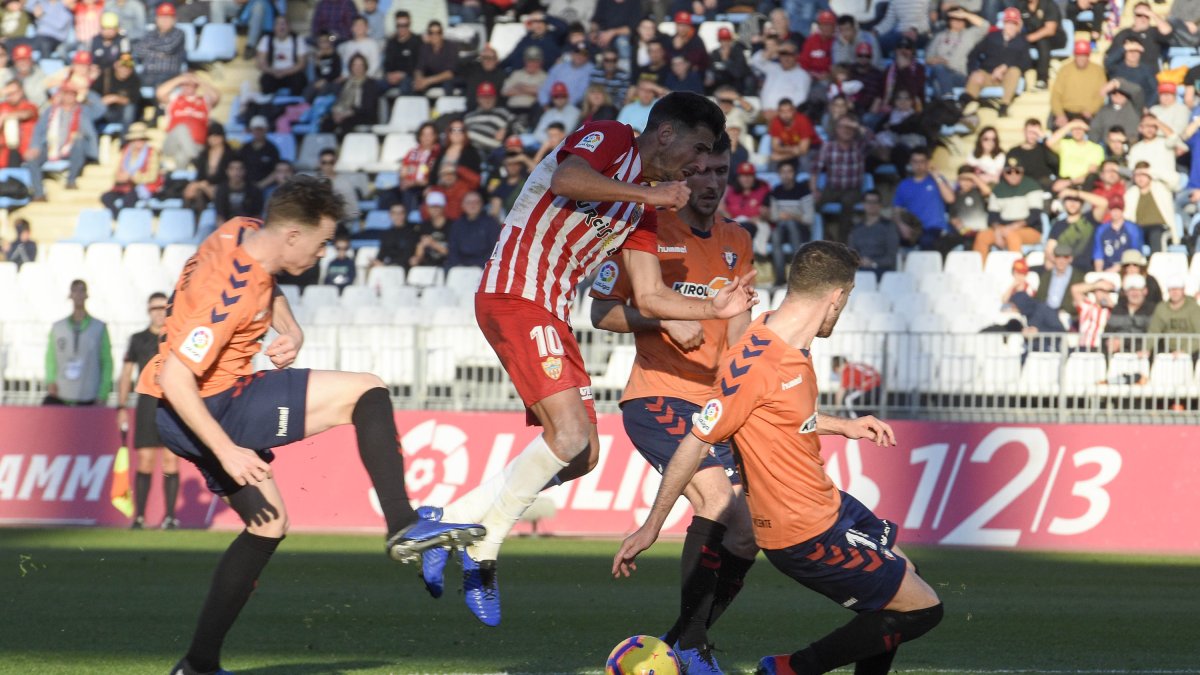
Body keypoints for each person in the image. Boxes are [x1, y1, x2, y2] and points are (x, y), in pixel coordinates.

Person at [416, 93, 757, 627]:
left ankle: (464, 533)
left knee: (582, 455)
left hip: (550, 311)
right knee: (571, 436)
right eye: (698, 147)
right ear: (665, 134)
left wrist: (711, 306)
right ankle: (467, 536)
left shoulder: (647, 205)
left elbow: (648, 297)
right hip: (515, 294)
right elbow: (566, 180)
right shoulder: (614, 138)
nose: (698, 164)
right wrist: (654, 193)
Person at [137, 176, 484, 675]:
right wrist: (227, 450)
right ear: (294, 236)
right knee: (367, 390)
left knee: (269, 523)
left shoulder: (242, 232)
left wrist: (291, 328)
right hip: (209, 408)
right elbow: (176, 375)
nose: (322, 254)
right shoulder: (230, 290)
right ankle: (401, 523)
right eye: (321, 244)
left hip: (181, 411)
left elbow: (267, 280)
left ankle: (197, 665)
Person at [614, 240, 942, 675]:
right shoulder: (758, 363)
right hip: (805, 531)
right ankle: (791, 669)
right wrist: (652, 525)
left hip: (829, 503)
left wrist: (842, 425)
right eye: (846, 300)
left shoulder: (780, 334)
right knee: (921, 610)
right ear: (836, 297)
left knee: (905, 582)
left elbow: (785, 415)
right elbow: (695, 441)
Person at [588, 135, 754, 673]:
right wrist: (661, 318)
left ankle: (679, 643)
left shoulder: (738, 239)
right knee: (715, 501)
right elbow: (602, 312)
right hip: (658, 395)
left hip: (715, 403)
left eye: (720, 171)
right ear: (681, 174)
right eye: (699, 170)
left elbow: (738, 328)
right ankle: (691, 648)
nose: (709, 182)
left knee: (749, 535)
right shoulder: (648, 228)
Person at [117, 292, 179, 530]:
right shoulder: (138, 339)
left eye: (163, 307)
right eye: (154, 308)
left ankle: (170, 517)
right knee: (145, 460)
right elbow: (125, 374)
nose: (158, 312)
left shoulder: (175, 338)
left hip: (172, 402)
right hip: (146, 403)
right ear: (148, 311)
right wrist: (121, 405)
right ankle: (140, 516)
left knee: (171, 459)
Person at [45, 279, 112, 406]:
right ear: (70, 295)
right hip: (62, 395)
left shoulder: (99, 327)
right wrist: (51, 381)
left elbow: (107, 361)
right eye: (75, 290)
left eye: (82, 290)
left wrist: (103, 392)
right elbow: (51, 357)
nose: (79, 295)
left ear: (87, 295)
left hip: (89, 396)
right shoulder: (58, 327)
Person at [25, 85, 95, 198]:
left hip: (72, 148)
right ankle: (39, 194)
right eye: (66, 95)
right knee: (32, 159)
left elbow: (100, 110)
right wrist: (35, 146)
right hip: (50, 146)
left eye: (71, 95)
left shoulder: (83, 111)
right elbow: (38, 129)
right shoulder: (51, 111)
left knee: (79, 142)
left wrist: (87, 94)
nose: (68, 98)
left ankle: (71, 180)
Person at [961, 8, 1031, 118]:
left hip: (1007, 78)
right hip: (988, 74)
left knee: (1015, 71)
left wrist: (1005, 66)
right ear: (1004, 23)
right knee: (976, 76)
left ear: (1018, 25)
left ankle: (1004, 106)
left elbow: (1026, 63)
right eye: (1009, 23)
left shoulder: (1022, 41)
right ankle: (964, 106)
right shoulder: (992, 37)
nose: (1011, 26)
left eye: (1014, 23)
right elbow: (973, 54)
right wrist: (974, 71)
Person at [976, 157, 1044, 263]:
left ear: (1022, 172)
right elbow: (992, 216)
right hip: (1003, 229)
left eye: (1017, 171)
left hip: (1029, 229)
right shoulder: (998, 189)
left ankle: (1017, 272)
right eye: (1009, 171)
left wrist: (1011, 228)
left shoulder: (1032, 186)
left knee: (1012, 236)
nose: (1013, 174)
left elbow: (1035, 215)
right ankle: (980, 272)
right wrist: (998, 230)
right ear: (1003, 173)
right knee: (982, 236)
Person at [158, 72, 221, 171]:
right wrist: (181, 79)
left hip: (196, 145)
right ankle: (197, 159)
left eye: (192, 84)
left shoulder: (204, 101)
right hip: (173, 144)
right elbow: (160, 92)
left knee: (182, 157)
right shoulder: (174, 98)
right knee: (181, 128)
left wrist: (199, 80)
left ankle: (180, 179)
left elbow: (216, 96)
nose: (188, 86)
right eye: (185, 84)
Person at [100, 121, 162, 216]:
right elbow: (117, 171)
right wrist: (119, 177)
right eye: (135, 139)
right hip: (125, 186)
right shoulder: (126, 152)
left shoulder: (152, 153)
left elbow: (152, 176)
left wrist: (132, 177)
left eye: (141, 139)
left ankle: (125, 220)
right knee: (106, 197)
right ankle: (118, 218)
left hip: (144, 187)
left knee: (129, 199)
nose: (138, 142)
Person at [1050, 41, 1107, 128]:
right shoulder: (1065, 70)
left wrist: (1091, 110)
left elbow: (1101, 95)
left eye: (1084, 55)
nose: (1081, 58)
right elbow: (1056, 94)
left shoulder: (1098, 71)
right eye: (1079, 55)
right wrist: (1060, 114)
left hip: (1088, 114)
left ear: (1088, 55)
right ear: (1075, 55)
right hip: (1067, 112)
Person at [848, 190, 899, 278]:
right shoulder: (856, 228)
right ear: (863, 204)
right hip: (860, 268)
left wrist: (873, 263)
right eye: (868, 202)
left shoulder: (889, 227)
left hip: (882, 270)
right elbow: (851, 253)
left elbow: (891, 257)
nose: (871, 205)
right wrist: (860, 261)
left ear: (880, 205)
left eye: (875, 202)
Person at [134, 3, 186, 88]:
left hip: (168, 74)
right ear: (156, 19)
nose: (164, 20)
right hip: (147, 73)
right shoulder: (149, 34)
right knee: (128, 82)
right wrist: (159, 53)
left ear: (174, 19)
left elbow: (168, 48)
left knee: (159, 86)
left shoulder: (179, 33)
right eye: (162, 17)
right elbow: (139, 50)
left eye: (168, 17)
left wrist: (149, 47)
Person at [256, 14, 308, 96]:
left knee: (299, 80)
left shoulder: (298, 39)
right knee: (265, 81)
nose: (281, 27)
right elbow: (260, 63)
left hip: (292, 73)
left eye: (284, 24)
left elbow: (301, 64)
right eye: (278, 24)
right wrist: (272, 71)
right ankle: (269, 105)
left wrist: (285, 72)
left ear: (289, 27)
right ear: (274, 27)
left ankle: (295, 105)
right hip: (273, 73)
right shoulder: (266, 39)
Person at [446, 191, 500, 268]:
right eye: (469, 202)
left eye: (476, 202)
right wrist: (457, 265)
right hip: (460, 267)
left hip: (484, 266)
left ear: (481, 204)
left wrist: (483, 265)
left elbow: (495, 249)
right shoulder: (456, 225)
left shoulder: (491, 223)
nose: (472, 205)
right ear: (462, 205)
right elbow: (453, 250)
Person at [1093, 195, 1143, 272]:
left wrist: (1118, 268)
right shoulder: (1101, 229)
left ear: (1123, 210)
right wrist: (1099, 273)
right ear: (1109, 210)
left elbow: (1135, 253)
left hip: (1127, 269)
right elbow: (1098, 255)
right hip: (1107, 270)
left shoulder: (1132, 228)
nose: (1115, 212)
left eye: (1118, 209)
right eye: (1113, 209)